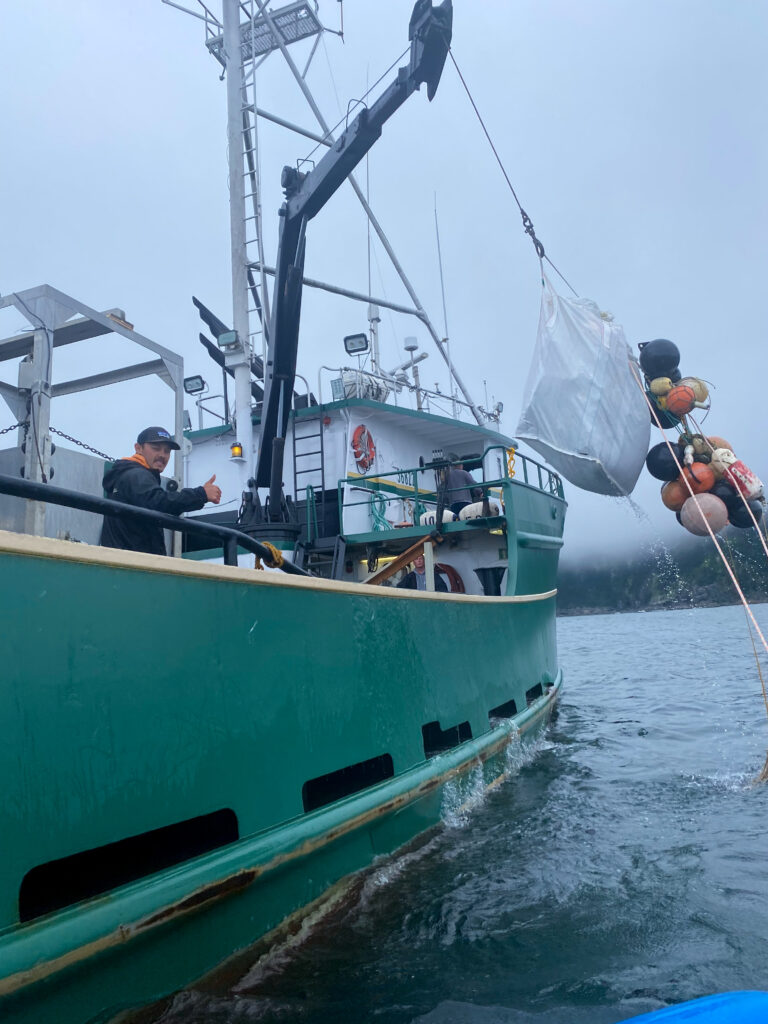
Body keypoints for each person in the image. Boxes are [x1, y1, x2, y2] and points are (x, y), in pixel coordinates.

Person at [100, 426, 221, 555]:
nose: (162, 455)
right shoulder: (136, 475)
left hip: (127, 562)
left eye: (167, 451)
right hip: (133, 565)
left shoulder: (129, 474)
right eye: (156, 448)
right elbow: (158, 501)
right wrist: (201, 494)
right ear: (138, 448)